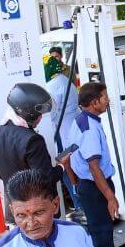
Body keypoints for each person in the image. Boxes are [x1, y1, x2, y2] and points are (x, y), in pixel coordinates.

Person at [68, 82, 125, 247]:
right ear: (95, 102)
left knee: (104, 232)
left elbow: (69, 156)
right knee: (101, 235)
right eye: (105, 97)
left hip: (90, 186)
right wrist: (110, 197)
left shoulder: (81, 120)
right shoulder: (90, 129)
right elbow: (94, 167)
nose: (108, 100)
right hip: (95, 187)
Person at [0, 83, 69, 219]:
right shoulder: (32, 140)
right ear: (27, 113)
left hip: (16, 211)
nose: (41, 118)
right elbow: (46, 179)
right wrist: (61, 166)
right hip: (38, 214)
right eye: (38, 114)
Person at [44, 55, 83, 220]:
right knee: (78, 168)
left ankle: (78, 204)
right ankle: (81, 202)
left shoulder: (51, 86)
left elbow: (51, 114)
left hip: (61, 134)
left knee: (67, 171)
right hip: (74, 130)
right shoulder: (67, 81)